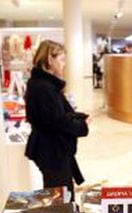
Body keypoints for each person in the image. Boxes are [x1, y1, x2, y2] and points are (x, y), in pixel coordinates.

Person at [25, 40, 89, 199]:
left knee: (61, 192)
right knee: (60, 196)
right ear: (49, 59)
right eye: (61, 60)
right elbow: (58, 121)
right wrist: (82, 126)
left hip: (52, 149)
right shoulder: (44, 87)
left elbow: (55, 115)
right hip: (51, 151)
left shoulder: (43, 84)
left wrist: (78, 117)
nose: (64, 65)